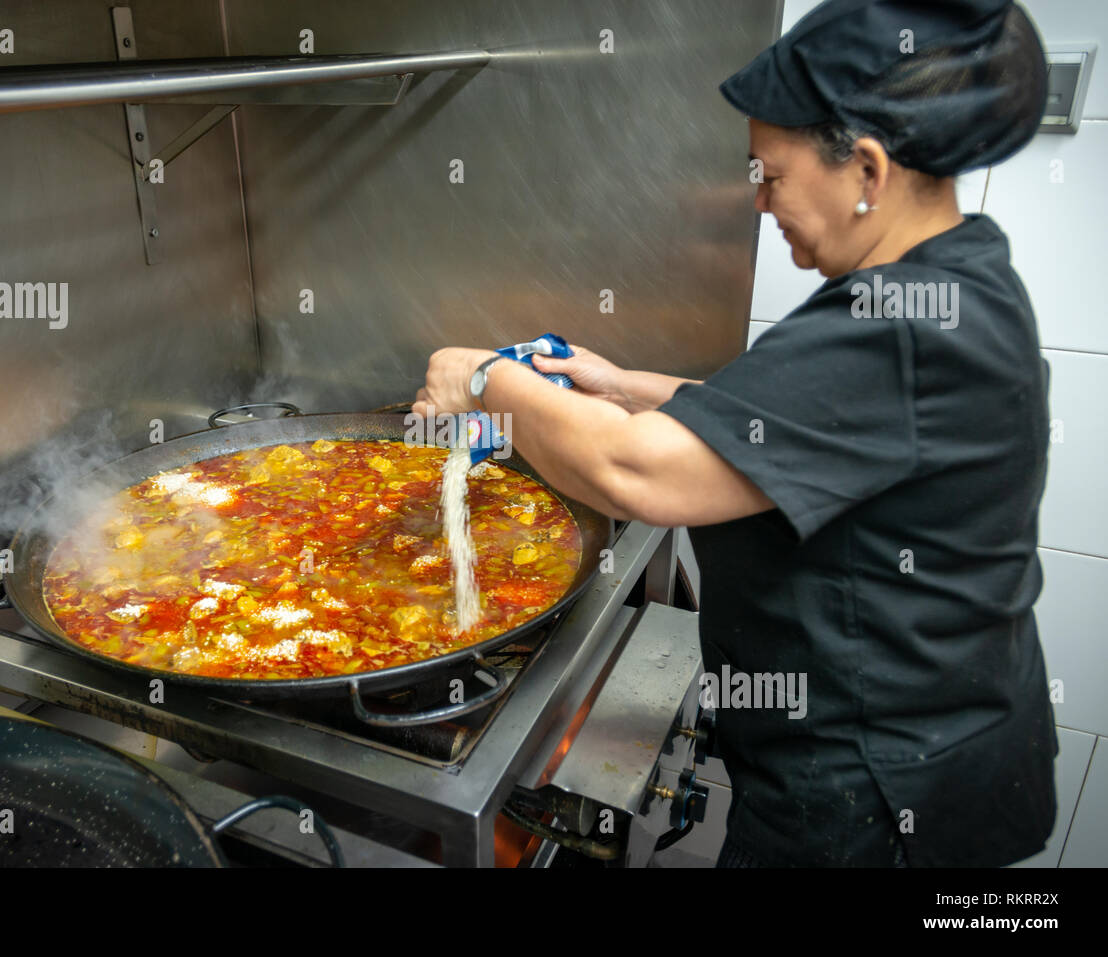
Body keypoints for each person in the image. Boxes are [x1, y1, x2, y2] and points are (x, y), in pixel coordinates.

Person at [414, 0, 1057, 867]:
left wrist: (481, 375)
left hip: (872, 797)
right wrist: (625, 383)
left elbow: (631, 473)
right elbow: (810, 419)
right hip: (930, 744)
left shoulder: (898, 328)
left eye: (771, 173)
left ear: (866, 168)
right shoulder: (955, 277)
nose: (757, 200)